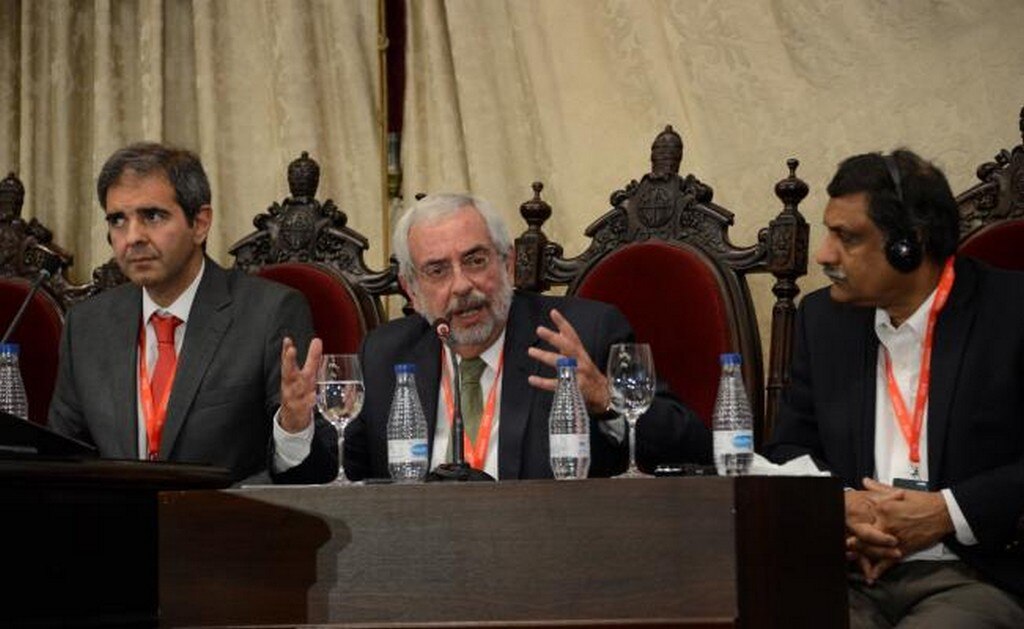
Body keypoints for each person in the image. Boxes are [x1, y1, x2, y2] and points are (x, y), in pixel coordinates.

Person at [766, 149, 1024, 627]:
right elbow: (786, 448)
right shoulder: (823, 320)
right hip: (848, 573)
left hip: (974, 575)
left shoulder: (1011, 312)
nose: (824, 254)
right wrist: (841, 505)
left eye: (847, 237)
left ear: (910, 243)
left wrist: (948, 512)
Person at [343, 193, 711, 481]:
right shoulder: (384, 355)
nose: (462, 286)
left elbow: (693, 450)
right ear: (411, 288)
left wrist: (604, 397)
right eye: (437, 270)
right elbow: (339, 475)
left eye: (475, 260)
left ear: (507, 263)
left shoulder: (585, 334)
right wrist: (292, 430)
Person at [48, 142, 338, 485]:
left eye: (152, 216)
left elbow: (315, 474)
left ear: (200, 224)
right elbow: (61, 459)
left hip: (227, 530)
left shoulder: (268, 313)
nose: (132, 238)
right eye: (118, 221)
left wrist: (293, 428)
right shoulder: (87, 326)